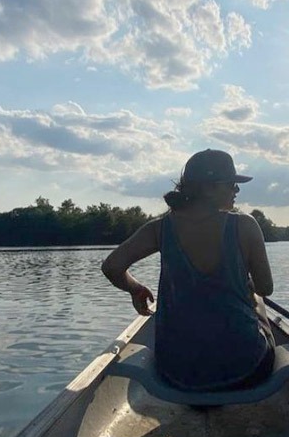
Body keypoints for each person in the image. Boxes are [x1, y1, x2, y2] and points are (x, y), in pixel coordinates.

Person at [101, 149, 275, 392]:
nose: (237, 190)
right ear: (208, 188)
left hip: (176, 373)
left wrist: (136, 289)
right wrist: (250, 290)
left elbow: (112, 266)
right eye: (231, 184)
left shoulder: (159, 229)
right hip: (246, 368)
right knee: (257, 298)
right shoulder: (245, 225)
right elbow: (266, 287)